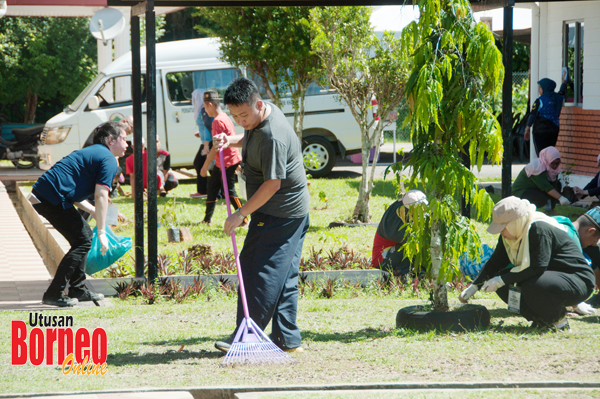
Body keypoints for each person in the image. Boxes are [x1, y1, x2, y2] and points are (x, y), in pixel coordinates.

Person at [212, 77, 310, 353]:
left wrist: (240, 213)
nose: (241, 120)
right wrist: (230, 140)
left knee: (259, 271)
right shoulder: (262, 115)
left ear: (257, 103)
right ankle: (288, 341)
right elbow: (250, 136)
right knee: (284, 275)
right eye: (235, 116)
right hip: (289, 212)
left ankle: (246, 336)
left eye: (244, 114)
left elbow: (272, 184)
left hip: (281, 213)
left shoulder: (273, 136)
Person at [459, 197, 595, 330]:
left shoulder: (539, 228)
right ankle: (541, 320)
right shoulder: (510, 236)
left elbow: (538, 266)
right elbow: (496, 262)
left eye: (503, 227)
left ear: (515, 223)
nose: (501, 232)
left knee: (532, 284)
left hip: (577, 280)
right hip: (547, 278)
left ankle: (559, 322)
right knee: (506, 284)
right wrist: (475, 286)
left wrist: (500, 280)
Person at [31, 121, 128, 307]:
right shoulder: (107, 157)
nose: (127, 144)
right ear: (110, 139)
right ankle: (54, 293)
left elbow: (74, 193)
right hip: (50, 197)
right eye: (123, 139)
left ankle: (78, 289)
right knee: (84, 239)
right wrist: (101, 232)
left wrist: (93, 211)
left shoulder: (96, 153)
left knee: (82, 237)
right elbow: (101, 195)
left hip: (46, 195)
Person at [199, 91, 243, 225]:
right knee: (212, 187)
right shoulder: (224, 116)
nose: (205, 111)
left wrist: (205, 165)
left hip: (228, 161)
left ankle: (244, 218)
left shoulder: (217, 121)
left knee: (229, 191)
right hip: (222, 162)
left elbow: (216, 146)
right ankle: (207, 220)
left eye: (205, 107)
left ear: (210, 104)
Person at [372, 190, 427, 276]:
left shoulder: (403, 207)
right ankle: (402, 273)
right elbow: (411, 241)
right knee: (411, 246)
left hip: (393, 254)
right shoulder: (395, 219)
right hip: (382, 260)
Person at [511, 146, 570, 211]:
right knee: (541, 198)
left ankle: (550, 210)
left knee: (558, 185)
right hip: (521, 192)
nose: (555, 166)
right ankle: (528, 211)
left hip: (534, 188)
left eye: (557, 163)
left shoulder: (553, 171)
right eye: (552, 163)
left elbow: (553, 186)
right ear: (547, 160)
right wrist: (560, 198)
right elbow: (546, 187)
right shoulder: (537, 167)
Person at [524, 75, 567, 155]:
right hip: (554, 130)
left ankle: (543, 167)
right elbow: (562, 91)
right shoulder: (558, 98)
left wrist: (527, 128)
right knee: (550, 154)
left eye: (540, 87)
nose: (538, 89)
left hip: (540, 131)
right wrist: (564, 82)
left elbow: (532, 115)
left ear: (545, 88)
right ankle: (548, 167)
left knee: (541, 155)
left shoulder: (540, 100)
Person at [190, 89, 213, 199]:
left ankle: (204, 190)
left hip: (208, 142)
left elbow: (208, 127)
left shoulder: (205, 110)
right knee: (209, 166)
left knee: (199, 164)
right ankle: (218, 190)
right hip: (206, 141)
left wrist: (206, 144)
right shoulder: (202, 109)